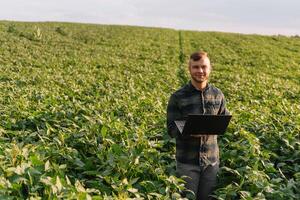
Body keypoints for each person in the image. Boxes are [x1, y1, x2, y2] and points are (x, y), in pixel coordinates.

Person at [167, 51, 230, 200]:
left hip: (211, 161)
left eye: (203, 67)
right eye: (196, 67)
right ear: (189, 69)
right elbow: (171, 128)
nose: (200, 71)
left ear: (209, 69)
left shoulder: (218, 94)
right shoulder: (178, 97)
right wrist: (189, 129)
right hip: (187, 162)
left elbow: (224, 119)